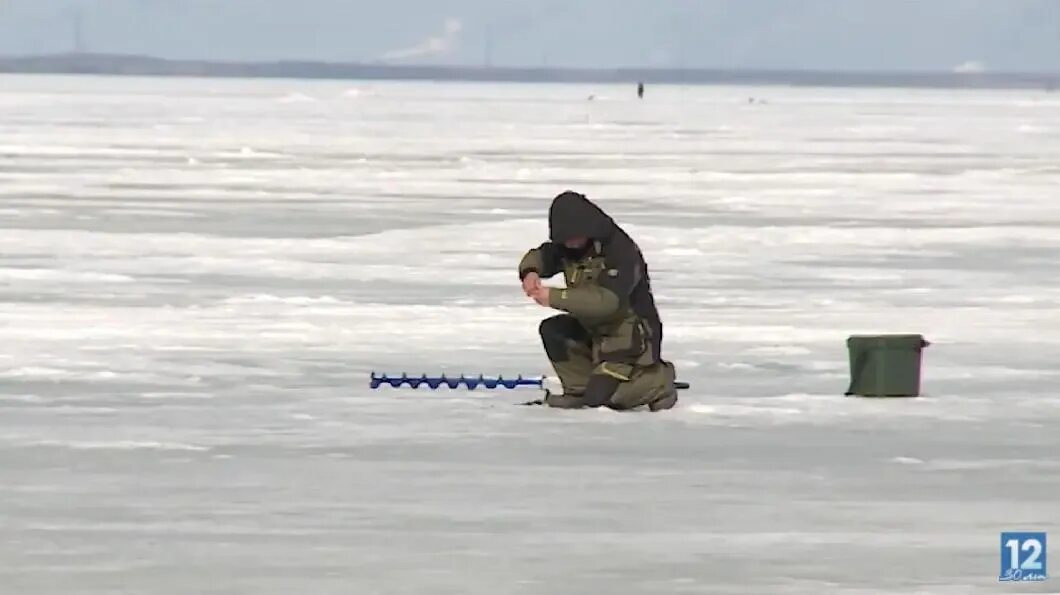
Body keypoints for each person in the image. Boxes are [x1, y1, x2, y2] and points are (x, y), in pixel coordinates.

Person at [517, 191, 678, 411]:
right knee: (554, 330)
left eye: (574, 237)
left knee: (612, 399)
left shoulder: (620, 251)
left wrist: (554, 296)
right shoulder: (569, 247)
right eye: (565, 239)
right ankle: (579, 390)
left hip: (630, 342)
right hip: (595, 334)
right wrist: (530, 272)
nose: (570, 243)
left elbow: (606, 301)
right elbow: (542, 256)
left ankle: (660, 381)